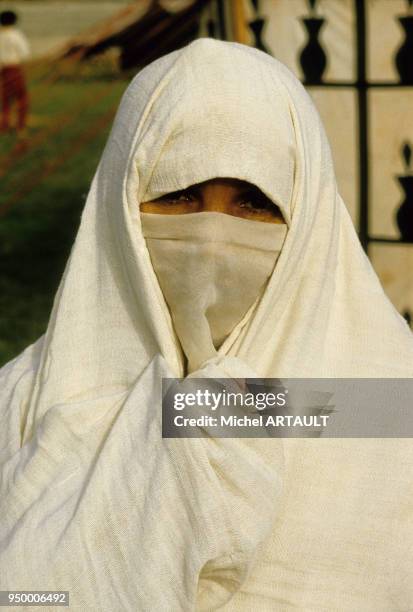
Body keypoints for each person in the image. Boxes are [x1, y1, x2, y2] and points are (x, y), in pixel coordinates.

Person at [0, 38, 413, 610]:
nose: (212, 234)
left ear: (308, 214)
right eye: (179, 194)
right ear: (120, 204)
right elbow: (25, 599)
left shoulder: (391, 409)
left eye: (252, 202)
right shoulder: (20, 402)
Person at [0, 9, 30, 135]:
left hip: (2, 69)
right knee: (21, 97)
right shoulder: (16, 35)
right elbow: (25, 53)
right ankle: (20, 125)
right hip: (14, 68)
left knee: (5, 98)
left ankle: (5, 123)